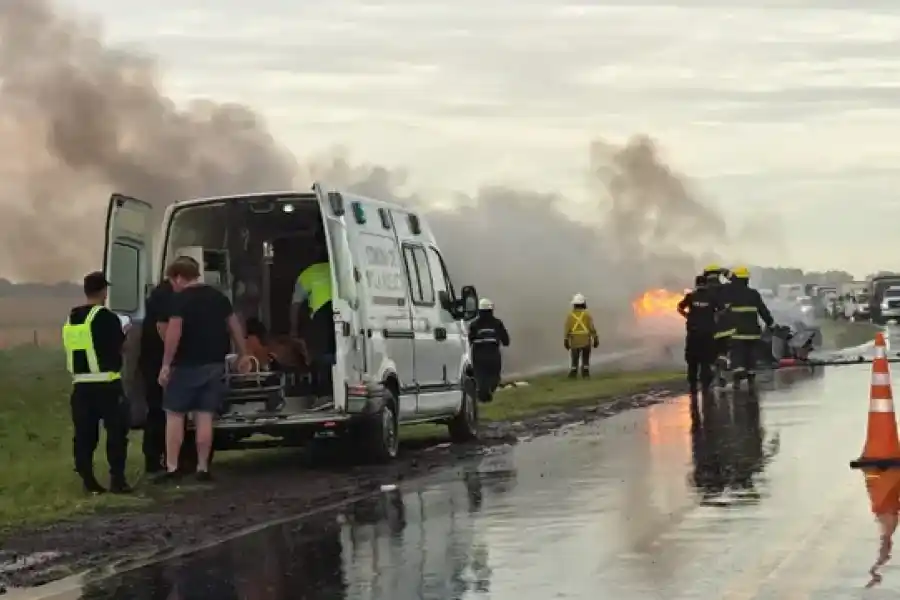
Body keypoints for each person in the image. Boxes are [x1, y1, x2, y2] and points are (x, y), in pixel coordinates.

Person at [155, 257, 250, 482]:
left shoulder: (178, 300)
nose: (173, 285)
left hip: (185, 366)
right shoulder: (218, 297)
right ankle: (203, 467)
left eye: (172, 281)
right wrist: (244, 353)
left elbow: (174, 333)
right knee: (205, 416)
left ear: (178, 277)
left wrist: (166, 364)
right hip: (215, 365)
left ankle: (172, 468)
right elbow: (235, 326)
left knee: (175, 416)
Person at [61, 271, 132, 494]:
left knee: (84, 435)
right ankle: (117, 479)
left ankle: (88, 480)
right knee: (116, 433)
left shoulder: (72, 318)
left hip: (81, 386)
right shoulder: (107, 318)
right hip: (107, 384)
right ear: (103, 291)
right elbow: (120, 347)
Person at [138, 256, 200, 475]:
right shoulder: (165, 296)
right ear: (179, 277)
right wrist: (176, 355)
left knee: (164, 410)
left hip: (155, 359)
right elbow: (163, 328)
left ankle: (165, 458)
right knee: (161, 410)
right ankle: (157, 459)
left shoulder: (162, 294)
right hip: (158, 360)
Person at [290, 230, 334, 399]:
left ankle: (322, 393)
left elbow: (295, 305)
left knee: (321, 358)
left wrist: (293, 330)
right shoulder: (340, 269)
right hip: (341, 315)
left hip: (321, 318)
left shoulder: (308, 274)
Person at [726, 266, 775, 389]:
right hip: (753, 333)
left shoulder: (730, 295)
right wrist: (772, 324)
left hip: (737, 332)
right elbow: (764, 312)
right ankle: (751, 381)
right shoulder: (754, 294)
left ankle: (737, 381)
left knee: (737, 356)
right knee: (751, 357)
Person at [677, 275, 719, 395]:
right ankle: (705, 384)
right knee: (706, 359)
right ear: (706, 284)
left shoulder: (691, 296)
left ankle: (693, 384)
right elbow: (721, 310)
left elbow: (679, 307)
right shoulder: (712, 297)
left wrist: (687, 316)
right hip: (707, 333)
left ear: (696, 284)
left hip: (693, 333)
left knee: (692, 359)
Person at [467, 298, 510, 402]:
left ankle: (482, 394)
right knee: (494, 377)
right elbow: (506, 341)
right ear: (491, 310)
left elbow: (469, 341)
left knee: (480, 377)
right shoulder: (497, 323)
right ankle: (487, 393)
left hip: (478, 356)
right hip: (493, 355)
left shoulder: (474, 324)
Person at [564, 293, 599, 378]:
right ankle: (585, 373)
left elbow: (567, 328)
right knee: (585, 358)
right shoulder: (587, 315)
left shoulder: (570, 316)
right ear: (583, 303)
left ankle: (573, 373)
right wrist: (595, 338)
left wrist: (566, 340)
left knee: (574, 359)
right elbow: (591, 328)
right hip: (586, 341)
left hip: (574, 341)